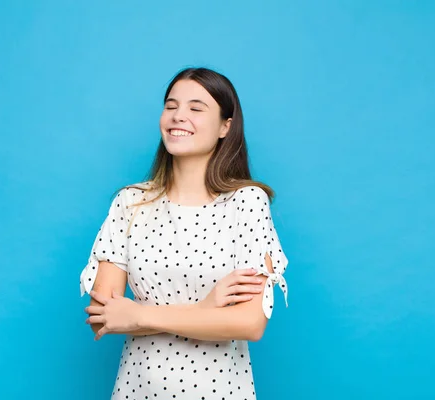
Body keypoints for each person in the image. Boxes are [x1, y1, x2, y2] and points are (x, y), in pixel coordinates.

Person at [80, 67, 289, 399]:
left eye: (196, 108)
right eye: (171, 105)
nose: (179, 117)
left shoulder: (246, 202)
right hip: (138, 388)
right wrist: (204, 310)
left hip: (219, 390)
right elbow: (103, 317)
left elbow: (250, 323)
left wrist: (139, 315)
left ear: (225, 126)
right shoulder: (130, 202)